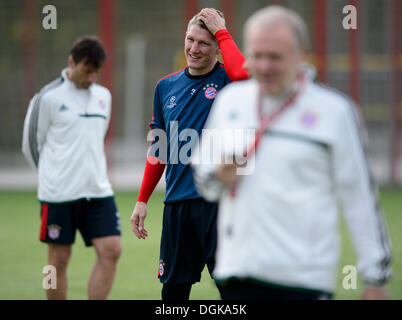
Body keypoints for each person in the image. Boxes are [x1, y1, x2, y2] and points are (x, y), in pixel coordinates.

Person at [191, 6, 392, 300]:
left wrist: (375, 278)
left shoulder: (334, 112)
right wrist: (218, 174)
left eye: (275, 57)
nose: (265, 66)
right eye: (257, 56)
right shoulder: (231, 103)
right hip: (238, 273)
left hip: (303, 280)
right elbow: (205, 183)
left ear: (301, 54)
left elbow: (359, 196)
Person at [130, 8, 249, 300]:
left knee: (234, 290)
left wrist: (222, 31)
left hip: (220, 204)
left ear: (218, 47)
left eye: (204, 43)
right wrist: (142, 199)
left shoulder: (230, 83)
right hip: (177, 205)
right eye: (190, 39)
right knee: (173, 292)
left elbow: (245, 74)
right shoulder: (165, 87)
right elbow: (159, 150)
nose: (194, 49)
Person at [22, 36, 122, 300]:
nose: (92, 78)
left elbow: (98, 138)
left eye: (96, 72)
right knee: (58, 258)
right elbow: (31, 145)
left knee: (112, 249)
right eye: (87, 71)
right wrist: (51, 176)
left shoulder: (104, 96)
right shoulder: (47, 98)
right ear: (71, 62)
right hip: (59, 194)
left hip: (98, 191)